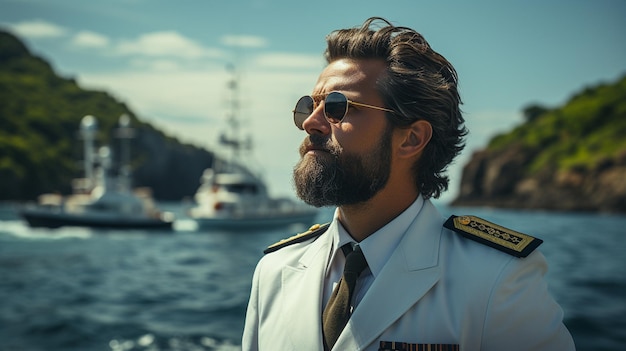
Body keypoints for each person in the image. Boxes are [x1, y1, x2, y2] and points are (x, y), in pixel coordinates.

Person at [242, 17, 575, 351]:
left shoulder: (497, 279)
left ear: (411, 138)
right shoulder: (274, 271)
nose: (311, 123)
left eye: (337, 107)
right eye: (309, 106)